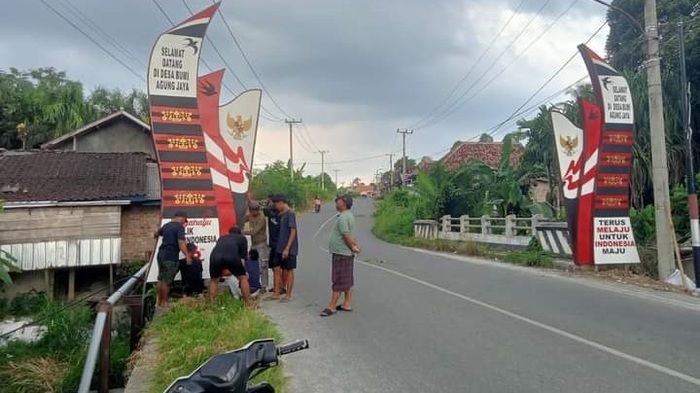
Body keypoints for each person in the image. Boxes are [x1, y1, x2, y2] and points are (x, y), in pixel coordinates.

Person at [320, 195, 361, 317]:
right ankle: (347, 303)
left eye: (338, 201)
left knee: (339, 279)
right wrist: (355, 245)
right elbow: (350, 235)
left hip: (342, 253)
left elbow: (346, 235)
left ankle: (331, 306)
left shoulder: (343, 217)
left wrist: (352, 247)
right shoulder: (347, 215)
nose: (336, 203)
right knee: (347, 278)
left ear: (344, 203)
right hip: (344, 252)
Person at [208, 227, 256, 309]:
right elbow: (243, 258)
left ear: (229, 233)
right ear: (239, 233)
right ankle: (249, 303)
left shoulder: (222, 238)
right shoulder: (242, 238)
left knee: (214, 280)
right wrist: (244, 272)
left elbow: (222, 252)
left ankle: (212, 305)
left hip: (214, 256)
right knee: (243, 278)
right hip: (231, 256)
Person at [154, 211, 191, 307]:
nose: (184, 223)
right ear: (182, 218)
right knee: (167, 281)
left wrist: (156, 235)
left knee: (161, 279)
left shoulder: (167, 226)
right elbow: (181, 242)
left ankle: (159, 302)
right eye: (184, 221)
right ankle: (165, 302)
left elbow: (157, 233)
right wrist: (187, 256)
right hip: (170, 257)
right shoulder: (179, 227)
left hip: (161, 255)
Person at [272, 194, 298, 302]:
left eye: (277, 204)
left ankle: (288, 295)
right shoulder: (282, 215)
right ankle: (276, 293)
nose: (276, 207)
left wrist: (287, 248)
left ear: (281, 203)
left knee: (289, 270)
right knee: (277, 268)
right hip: (279, 247)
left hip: (289, 248)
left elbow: (293, 231)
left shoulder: (290, 214)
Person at [243, 201, 269, 292]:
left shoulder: (261, 218)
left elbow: (254, 232)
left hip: (261, 243)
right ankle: (254, 283)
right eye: (252, 211)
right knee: (251, 263)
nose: (255, 212)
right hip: (254, 243)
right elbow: (242, 219)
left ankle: (264, 286)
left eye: (256, 210)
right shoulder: (250, 216)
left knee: (262, 265)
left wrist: (242, 232)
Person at [263, 195, 282, 299]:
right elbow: (265, 209)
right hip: (273, 244)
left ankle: (277, 291)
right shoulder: (271, 213)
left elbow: (266, 208)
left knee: (277, 268)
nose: (269, 203)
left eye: (270, 202)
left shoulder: (280, 214)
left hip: (278, 244)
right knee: (276, 268)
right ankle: (279, 287)